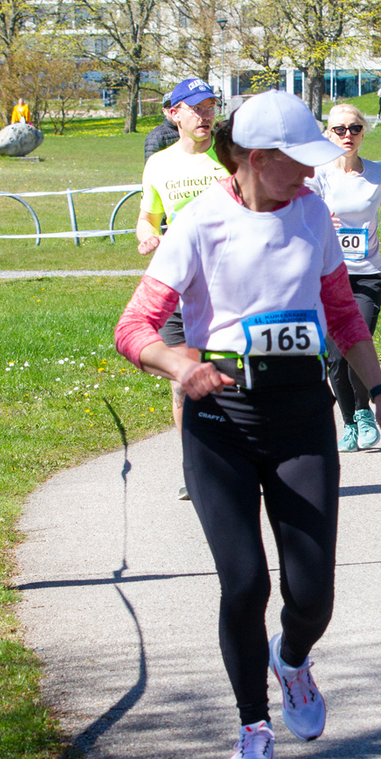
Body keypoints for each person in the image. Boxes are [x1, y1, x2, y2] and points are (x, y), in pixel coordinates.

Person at [114, 89, 381, 759]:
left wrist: (380, 393)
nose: (312, 172)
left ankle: (293, 659)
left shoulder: (311, 212)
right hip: (220, 421)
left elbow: (343, 316)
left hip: (301, 415)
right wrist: (178, 364)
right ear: (255, 158)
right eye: (298, 160)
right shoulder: (199, 222)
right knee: (245, 582)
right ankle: (253, 726)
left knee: (312, 594)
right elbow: (133, 328)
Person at [135, 78, 228, 500]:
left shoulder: (229, 156)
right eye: (196, 108)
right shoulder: (159, 164)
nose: (205, 115)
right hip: (178, 282)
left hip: (226, 284)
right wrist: (147, 237)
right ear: (174, 114)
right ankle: (197, 466)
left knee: (229, 374)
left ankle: (241, 460)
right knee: (180, 380)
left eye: (210, 107)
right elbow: (148, 218)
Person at [306, 103, 381, 452]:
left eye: (355, 128)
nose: (348, 135)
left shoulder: (378, 174)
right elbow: (300, 217)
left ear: (363, 132)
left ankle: (364, 412)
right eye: (340, 129)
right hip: (328, 275)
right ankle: (348, 423)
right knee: (335, 355)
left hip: (366, 275)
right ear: (328, 134)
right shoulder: (317, 175)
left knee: (358, 343)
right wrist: (318, 220)